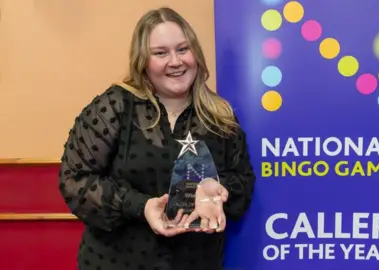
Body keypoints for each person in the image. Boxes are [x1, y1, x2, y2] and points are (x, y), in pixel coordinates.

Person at [58, 7, 256, 270]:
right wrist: (141, 206)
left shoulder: (221, 116)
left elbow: (242, 179)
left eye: (183, 49)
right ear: (143, 62)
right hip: (116, 262)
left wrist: (218, 189)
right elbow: (75, 181)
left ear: (196, 54)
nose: (175, 61)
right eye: (161, 53)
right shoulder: (115, 107)